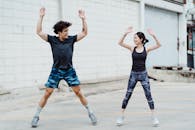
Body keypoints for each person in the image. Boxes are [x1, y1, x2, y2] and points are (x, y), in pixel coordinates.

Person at [31, 7, 97, 128]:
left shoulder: (71, 39)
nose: (67, 33)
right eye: (65, 31)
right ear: (59, 32)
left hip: (69, 71)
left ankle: (90, 112)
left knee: (78, 92)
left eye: (67, 30)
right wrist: (41, 17)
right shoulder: (52, 40)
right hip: (56, 71)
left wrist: (83, 19)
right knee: (47, 93)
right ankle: (36, 116)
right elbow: (39, 32)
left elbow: (84, 32)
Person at [116, 26, 161, 127]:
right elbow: (120, 43)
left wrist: (154, 35)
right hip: (133, 74)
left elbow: (159, 45)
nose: (134, 40)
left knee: (148, 95)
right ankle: (121, 116)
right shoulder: (132, 48)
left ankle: (154, 117)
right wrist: (125, 34)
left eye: (136, 38)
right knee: (127, 95)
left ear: (141, 39)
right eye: (134, 38)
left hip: (143, 74)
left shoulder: (146, 49)